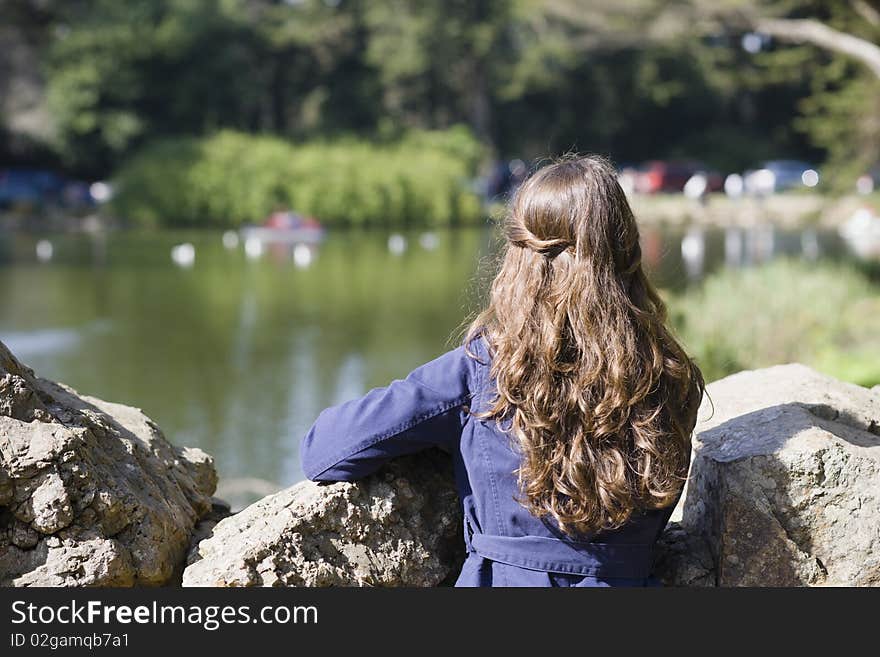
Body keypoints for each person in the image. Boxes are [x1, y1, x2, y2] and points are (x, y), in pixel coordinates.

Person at [300, 155, 705, 586]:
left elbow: (323, 452)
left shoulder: (484, 368)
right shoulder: (671, 377)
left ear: (519, 257)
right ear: (624, 250)